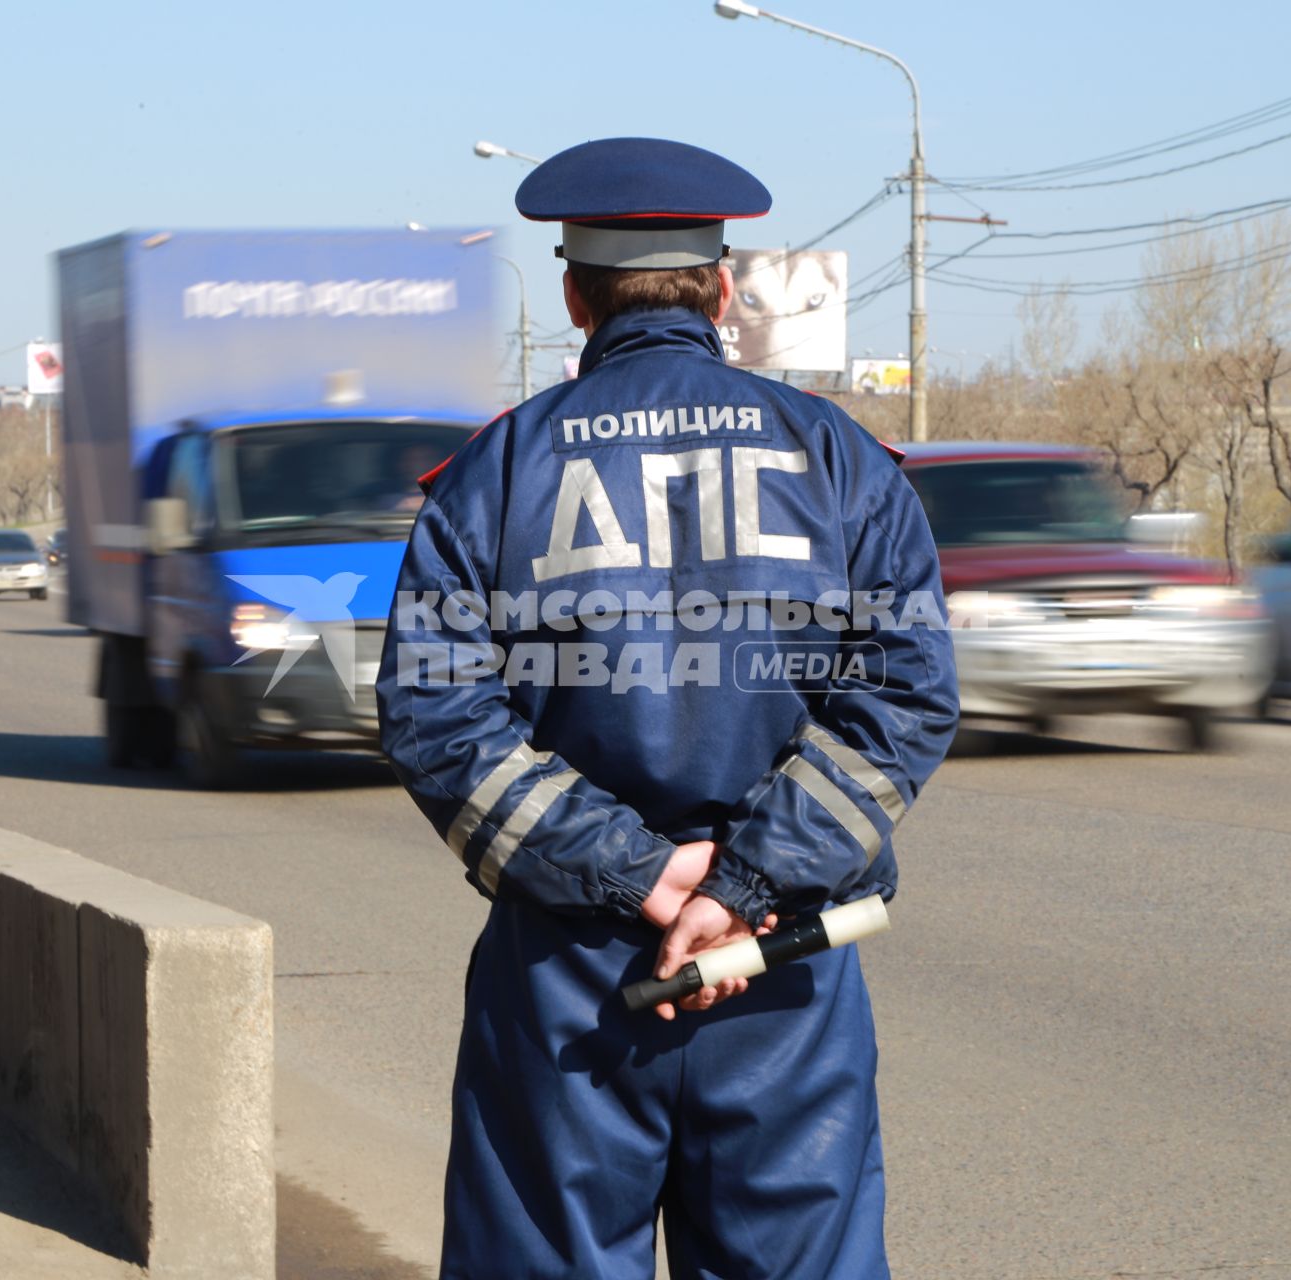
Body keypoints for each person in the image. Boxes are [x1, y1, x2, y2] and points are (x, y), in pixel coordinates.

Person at [376, 136, 959, 1279]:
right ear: (724, 289)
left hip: (571, 966)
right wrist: (743, 887)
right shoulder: (841, 459)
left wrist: (638, 873)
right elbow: (907, 694)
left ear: (573, 294)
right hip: (782, 960)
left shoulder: (499, 472)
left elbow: (435, 714)